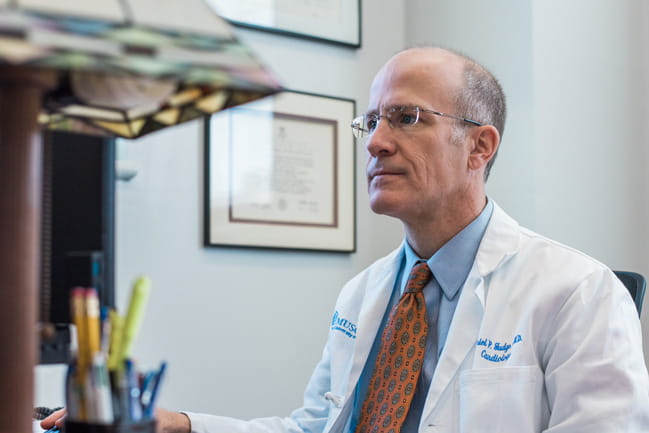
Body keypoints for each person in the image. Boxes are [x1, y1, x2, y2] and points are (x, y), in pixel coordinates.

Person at [43, 46, 649, 433]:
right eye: (372, 121)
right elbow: (313, 429)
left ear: (480, 147)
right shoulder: (366, 294)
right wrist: (181, 425)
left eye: (406, 118)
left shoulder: (578, 294)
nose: (375, 142)